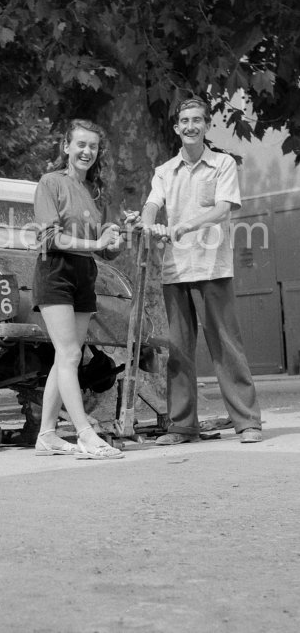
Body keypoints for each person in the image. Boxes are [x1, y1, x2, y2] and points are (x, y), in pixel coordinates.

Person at [140, 97, 262, 445]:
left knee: (226, 346)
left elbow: (223, 209)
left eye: (197, 120)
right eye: (185, 121)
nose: (191, 126)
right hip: (176, 271)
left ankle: (247, 422)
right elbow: (152, 203)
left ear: (206, 125)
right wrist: (149, 224)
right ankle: (181, 427)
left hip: (212, 267)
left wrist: (185, 226)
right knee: (178, 350)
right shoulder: (164, 171)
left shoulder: (222, 164)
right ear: (177, 128)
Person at [33, 118, 126, 459]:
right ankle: (85, 435)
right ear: (66, 147)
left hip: (84, 274)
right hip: (55, 272)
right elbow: (48, 237)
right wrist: (96, 241)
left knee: (65, 357)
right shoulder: (50, 182)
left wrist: (115, 239)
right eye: (81, 144)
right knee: (70, 354)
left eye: (93, 146)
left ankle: (46, 435)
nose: (87, 151)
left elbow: (104, 248)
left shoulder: (95, 192)